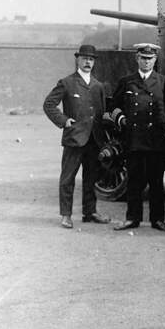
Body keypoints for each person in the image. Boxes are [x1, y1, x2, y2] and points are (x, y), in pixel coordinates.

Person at [109, 43, 165, 232]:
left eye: (150, 59)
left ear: (155, 60)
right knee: (134, 182)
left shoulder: (163, 81)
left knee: (156, 182)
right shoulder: (126, 81)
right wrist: (121, 119)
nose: (147, 62)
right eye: (143, 58)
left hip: (156, 140)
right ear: (137, 59)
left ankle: (157, 219)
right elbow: (112, 107)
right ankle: (132, 218)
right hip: (134, 139)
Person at [43, 44, 110, 229]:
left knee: (91, 178)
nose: (87, 62)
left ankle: (90, 212)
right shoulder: (67, 82)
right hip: (74, 139)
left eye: (91, 59)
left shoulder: (98, 86)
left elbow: (102, 112)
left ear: (94, 62)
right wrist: (64, 121)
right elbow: (49, 104)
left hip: (93, 140)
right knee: (67, 179)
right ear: (77, 60)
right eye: (84, 59)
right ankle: (66, 215)